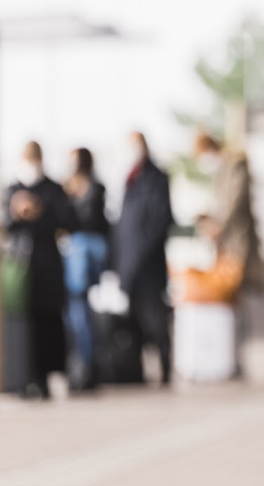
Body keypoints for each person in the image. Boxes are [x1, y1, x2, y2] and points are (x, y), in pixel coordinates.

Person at [3, 141, 77, 400]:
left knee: (48, 326)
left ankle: (45, 379)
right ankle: (22, 378)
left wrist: (40, 212)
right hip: (20, 269)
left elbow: (68, 221)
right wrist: (16, 213)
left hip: (47, 268)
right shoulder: (12, 189)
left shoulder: (52, 189)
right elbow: (2, 223)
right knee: (22, 326)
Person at [193, 131, 264, 378]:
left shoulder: (236, 165)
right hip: (228, 243)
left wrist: (219, 227)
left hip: (238, 243)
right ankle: (229, 357)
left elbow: (235, 202)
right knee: (231, 302)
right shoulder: (224, 168)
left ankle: (236, 358)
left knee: (237, 300)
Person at [114, 131, 175, 386]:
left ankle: (165, 369)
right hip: (128, 266)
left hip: (148, 265)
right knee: (133, 324)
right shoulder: (129, 180)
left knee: (156, 321)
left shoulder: (156, 178)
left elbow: (162, 220)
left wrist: (141, 253)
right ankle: (136, 372)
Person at [62, 147, 111, 392]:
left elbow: (87, 221)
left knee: (80, 311)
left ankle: (86, 366)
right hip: (76, 261)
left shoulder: (94, 188)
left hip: (82, 260)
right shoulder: (69, 186)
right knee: (77, 314)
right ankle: (82, 364)